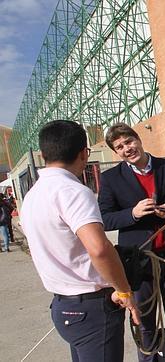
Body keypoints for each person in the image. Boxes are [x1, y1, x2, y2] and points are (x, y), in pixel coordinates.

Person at [20, 120, 140, 361]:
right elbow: (99, 249)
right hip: (91, 308)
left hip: (64, 306)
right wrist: (124, 290)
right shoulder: (72, 191)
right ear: (84, 154)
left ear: (43, 154)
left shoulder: (32, 196)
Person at [98, 123, 165, 362]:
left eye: (129, 141)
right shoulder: (110, 178)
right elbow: (105, 218)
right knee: (144, 314)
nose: (127, 148)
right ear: (116, 152)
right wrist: (133, 213)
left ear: (138, 139)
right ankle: (150, 359)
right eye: (119, 146)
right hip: (138, 258)